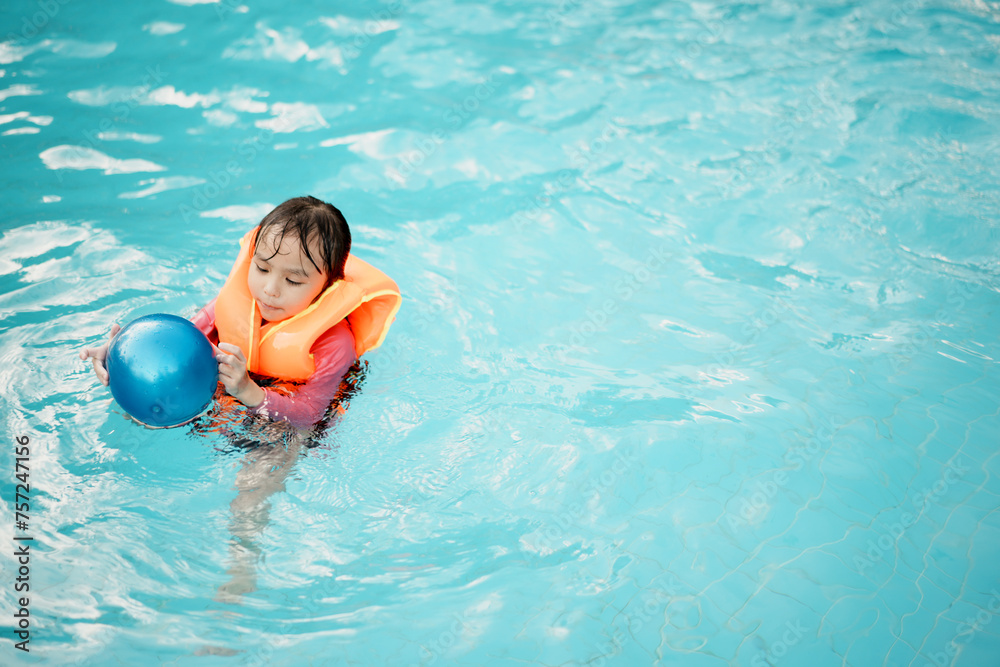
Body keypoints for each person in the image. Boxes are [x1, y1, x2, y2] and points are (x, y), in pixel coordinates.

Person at [79, 196, 401, 429]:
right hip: (235, 392)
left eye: (292, 280)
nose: (270, 289)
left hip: (288, 413)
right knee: (141, 416)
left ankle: (247, 518)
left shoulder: (334, 344)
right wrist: (124, 353)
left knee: (272, 457)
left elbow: (310, 412)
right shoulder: (237, 301)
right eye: (261, 268)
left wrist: (250, 392)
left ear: (328, 286)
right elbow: (177, 343)